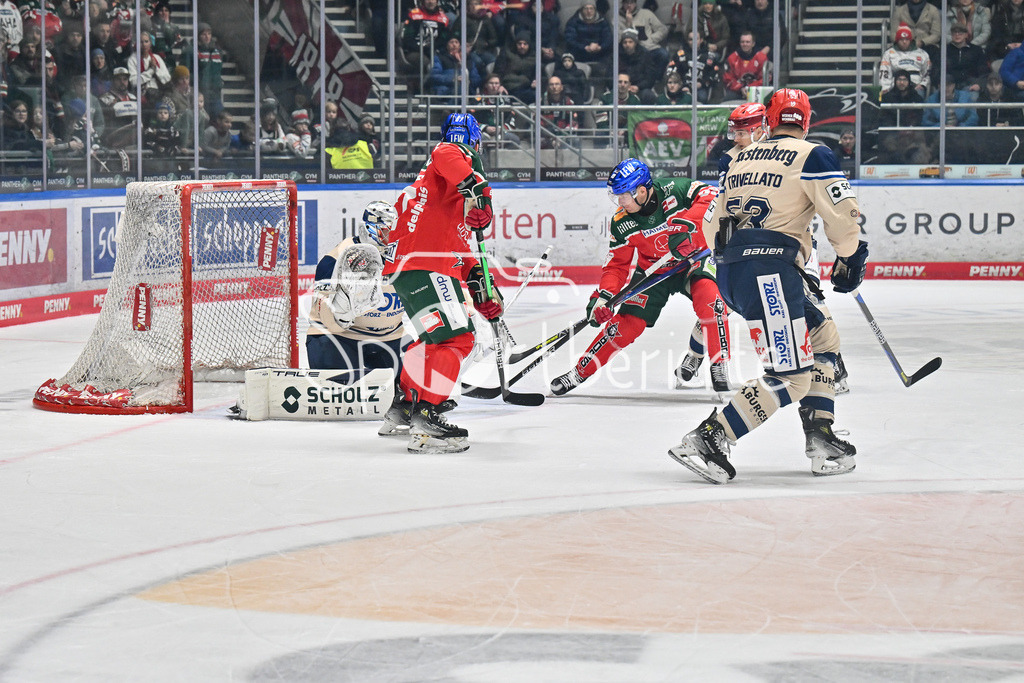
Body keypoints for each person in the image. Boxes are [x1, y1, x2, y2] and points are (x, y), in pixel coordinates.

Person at [669, 88, 866, 484]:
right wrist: (851, 256)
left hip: (735, 271)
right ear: (806, 121)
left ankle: (821, 434)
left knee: (823, 337)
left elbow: (711, 222)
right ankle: (711, 436)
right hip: (770, 273)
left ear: (770, 121)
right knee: (791, 375)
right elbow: (842, 219)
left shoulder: (738, 159)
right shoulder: (815, 154)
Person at [550, 158, 731, 396]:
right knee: (626, 325)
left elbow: (713, 197)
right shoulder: (621, 221)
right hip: (654, 272)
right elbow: (616, 265)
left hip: (693, 260)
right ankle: (579, 372)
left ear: (641, 190)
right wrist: (604, 296)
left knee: (711, 299)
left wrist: (686, 226)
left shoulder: (675, 189)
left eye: (623, 196)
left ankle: (719, 365)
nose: (619, 202)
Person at [381, 112, 504, 454]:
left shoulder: (441, 192)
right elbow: (447, 152)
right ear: (475, 143)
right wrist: (477, 187)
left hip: (411, 267)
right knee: (459, 338)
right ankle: (428, 416)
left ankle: (405, 403)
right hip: (425, 263)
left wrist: (481, 284)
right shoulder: (452, 155)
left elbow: (459, 241)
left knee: (434, 340)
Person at [307, 201, 407, 383]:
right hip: (341, 337)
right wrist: (340, 315)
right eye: (387, 233)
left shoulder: (403, 255)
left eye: (396, 234)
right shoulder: (336, 259)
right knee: (339, 392)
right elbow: (324, 311)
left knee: (414, 385)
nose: (392, 239)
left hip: (389, 338)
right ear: (369, 230)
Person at [666, 31, 723, 104]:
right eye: (690, 39)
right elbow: (671, 72)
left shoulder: (709, 56)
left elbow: (714, 75)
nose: (693, 42)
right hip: (681, 87)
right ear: (687, 41)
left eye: (696, 39)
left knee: (702, 97)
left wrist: (702, 83)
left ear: (701, 40)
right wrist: (681, 85)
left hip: (700, 88)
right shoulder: (680, 54)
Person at [618, 0, 669, 76]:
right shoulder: (617, 18)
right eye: (626, 3)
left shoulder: (646, 13)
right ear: (622, 4)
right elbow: (619, 39)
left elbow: (663, 29)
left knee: (663, 55)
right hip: (630, 51)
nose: (629, 5)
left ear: (635, 4)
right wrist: (629, 25)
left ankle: (656, 79)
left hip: (649, 48)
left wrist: (652, 39)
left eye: (631, 2)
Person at [878, 24, 931, 96]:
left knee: (919, 94)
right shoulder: (889, 53)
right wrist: (885, 88)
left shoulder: (922, 53)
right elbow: (884, 73)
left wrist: (922, 85)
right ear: (897, 40)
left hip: (915, 85)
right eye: (901, 39)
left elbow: (927, 73)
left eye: (907, 39)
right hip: (895, 85)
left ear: (911, 40)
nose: (904, 42)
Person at [564, 0, 613, 77]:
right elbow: (570, 39)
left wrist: (600, 47)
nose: (589, 11)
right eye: (586, 8)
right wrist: (584, 47)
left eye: (591, 8)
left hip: (600, 54)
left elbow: (608, 39)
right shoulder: (573, 21)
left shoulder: (603, 21)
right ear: (581, 10)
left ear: (595, 9)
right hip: (579, 54)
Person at [595, 72, 640, 147]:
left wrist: (624, 130)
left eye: (625, 82)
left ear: (629, 85)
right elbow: (600, 121)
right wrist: (612, 131)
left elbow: (636, 120)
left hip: (627, 132)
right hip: (609, 131)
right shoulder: (605, 97)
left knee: (636, 133)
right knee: (599, 134)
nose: (622, 85)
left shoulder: (635, 100)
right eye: (620, 82)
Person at [722, 30, 769, 102]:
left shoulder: (761, 57)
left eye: (747, 42)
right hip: (737, 91)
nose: (745, 44)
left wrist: (749, 88)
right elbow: (728, 78)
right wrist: (741, 88)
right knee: (726, 101)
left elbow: (765, 79)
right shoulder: (732, 58)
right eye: (742, 42)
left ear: (753, 44)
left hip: (756, 91)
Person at [945, 22, 990, 95]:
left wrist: (979, 84)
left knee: (973, 96)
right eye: (954, 33)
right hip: (948, 86)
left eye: (960, 33)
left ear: (966, 35)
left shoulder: (976, 50)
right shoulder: (945, 50)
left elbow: (984, 71)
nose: (957, 35)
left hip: (970, 85)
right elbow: (938, 70)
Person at [618, 28, 660, 103]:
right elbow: (609, 75)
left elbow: (650, 77)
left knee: (648, 95)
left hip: (639, 89)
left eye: (630, 42)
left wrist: (638, 87)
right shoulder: (615, 54)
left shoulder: (645, 54)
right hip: (620, 88)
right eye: (625, 42)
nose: (627, 44)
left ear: (635, 43)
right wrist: (622, 86)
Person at [494, 30, 536, 103]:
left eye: (525, 44)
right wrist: (499, 85)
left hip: (526, 88)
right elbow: (498, 71)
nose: (522, 46)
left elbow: (537, 74)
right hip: (507, 88)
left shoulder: (534, 58)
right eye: (519, 43)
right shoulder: (506, 54)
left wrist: (536, 81)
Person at [540, 74, 579, 147]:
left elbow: (573, 121)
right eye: (551, 84)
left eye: (557, 84)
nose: (554, 87)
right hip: (547, 135)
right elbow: (537, 121)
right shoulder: (541, 102)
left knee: (575, 140)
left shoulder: (568, 102)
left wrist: (562, 135)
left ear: (561, 87)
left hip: (564, 134)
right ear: (548, 87)